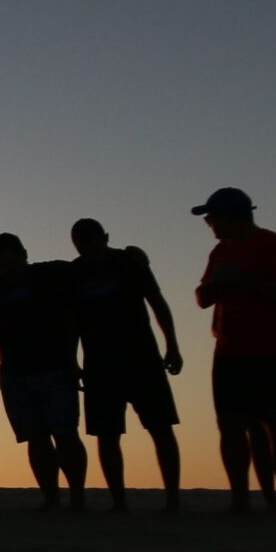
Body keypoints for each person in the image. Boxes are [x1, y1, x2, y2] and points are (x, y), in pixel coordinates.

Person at [193, 188, 276, 515]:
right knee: (230, 427)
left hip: (272, 352)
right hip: (229, 352)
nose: (210, 225)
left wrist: (247, 282)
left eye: (211, 219)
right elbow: (202, 298)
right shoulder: (220, 252)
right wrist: (216, 285)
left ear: (229, 216)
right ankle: (240, 498)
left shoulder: (275, 246)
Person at [68, 219, 184, 513]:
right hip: (99, 364)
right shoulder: (74, 273)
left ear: (104, 237)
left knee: (160, 427)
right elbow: (70, 322)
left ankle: (173, 499)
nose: (88, 246)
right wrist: (72, 359)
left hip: (141, 358)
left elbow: (157, 302)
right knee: (106, 434)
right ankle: (119, 501)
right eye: (81, 241)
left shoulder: (130, 263)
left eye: (92, 239)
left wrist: (171, 344)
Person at [0, 234, 86, 510]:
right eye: (0, 262)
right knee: (35, 438)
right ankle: (51, 498)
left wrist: (131, 255)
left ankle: (77, 497)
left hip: (54, 368)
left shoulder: (49, 273)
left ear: (24, 254)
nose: (7, 267)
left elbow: (88, 264)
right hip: (14, 372)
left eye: (12, 259)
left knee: (65, 433)